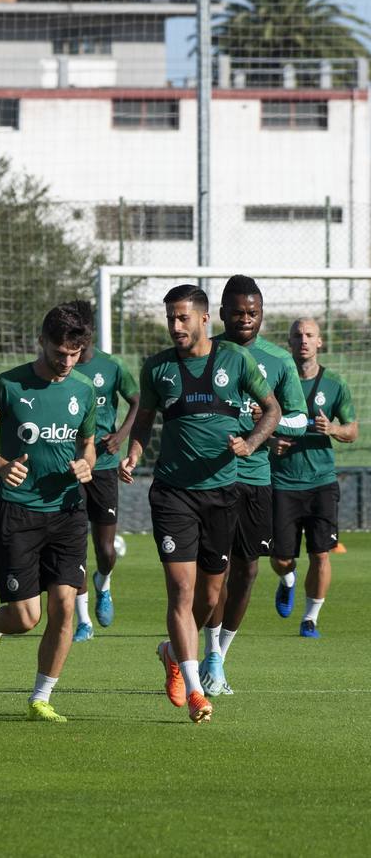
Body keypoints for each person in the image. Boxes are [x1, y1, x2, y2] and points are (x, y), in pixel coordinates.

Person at [120, 284, 279, 725]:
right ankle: (194, 689)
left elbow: (272, 410)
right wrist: (133, 454)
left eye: (182, 318)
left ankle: (173, 650)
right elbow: (144, 422)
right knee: (183, 591)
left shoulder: (237, 360)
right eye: (170, 318)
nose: (175, 326)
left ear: (204, 319)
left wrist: (250, 443)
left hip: (223, 493)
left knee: (210, 597)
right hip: (172, 494)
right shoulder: (156, 368)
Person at [0, 305, 96, 725]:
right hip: (19, 512)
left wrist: (85, 464)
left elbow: (87, 444)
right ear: (42, 341)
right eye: (60, 352)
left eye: (74, 354)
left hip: (67, 512)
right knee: (26, 616)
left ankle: (41, 697)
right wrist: (0, 465)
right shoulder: (8, 386)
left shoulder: (83, 390)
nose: (66, 361)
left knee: (63, 606)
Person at [201, 276, 307, 694]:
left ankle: (219, 659)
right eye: (238, 312)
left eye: (253, 313)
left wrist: (265, 430)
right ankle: (207, 653)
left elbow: (296, 416)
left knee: (246, 571)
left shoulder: (278, 360)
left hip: (256, 479)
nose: (245, 320)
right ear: (222, 314)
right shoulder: (205, 353)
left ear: (261, 314)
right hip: (209, 479)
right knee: (215, 573)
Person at [270, 318, 358, 638]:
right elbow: (256, 419)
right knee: (281, 558)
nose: (303, 340)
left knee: (320, 553)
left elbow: (352, 430)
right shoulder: (276, 381)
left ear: (320, 342)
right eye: (297, 336)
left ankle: (310, 618)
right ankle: (287, 579)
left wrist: (333, 429)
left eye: (309, 335)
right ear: (289, 343)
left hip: (321, 481)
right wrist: (269, 440)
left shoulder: (335, 384)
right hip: (282, 481)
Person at [64, 299, 140, 642]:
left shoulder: (111, 367)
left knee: (106, 551)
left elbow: (138, 401)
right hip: (71, 468)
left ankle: (103, 583)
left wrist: (121, 436)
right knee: (75, 546)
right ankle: (83, 621)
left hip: (105, 467)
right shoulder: (62, 367)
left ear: (90, 331)